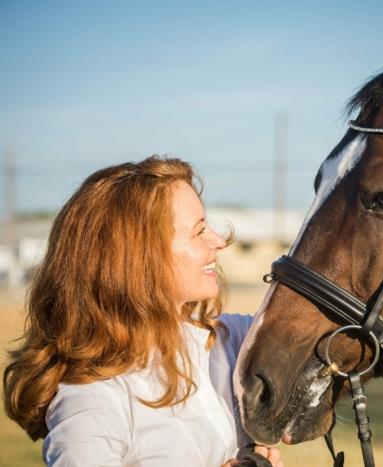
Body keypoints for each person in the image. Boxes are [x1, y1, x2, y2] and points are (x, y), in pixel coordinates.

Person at [3, 156, 283, 467]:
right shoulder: (90, 402)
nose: (218, 241)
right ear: (139, 259)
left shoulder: (231, 341)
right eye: (198, 231)